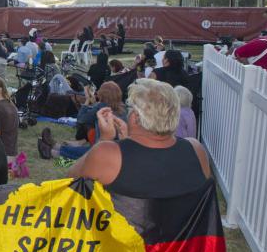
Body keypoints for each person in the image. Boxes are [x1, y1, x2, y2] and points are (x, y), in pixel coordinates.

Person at [68, 79, 212, 200]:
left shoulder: (108, 153)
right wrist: (128, 140)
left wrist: (104, 139)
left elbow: (71, 180)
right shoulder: (196, 150)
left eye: (130, 107)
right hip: (181, 232)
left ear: (135, 117)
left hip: (126, 231)